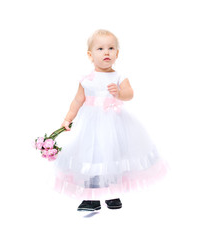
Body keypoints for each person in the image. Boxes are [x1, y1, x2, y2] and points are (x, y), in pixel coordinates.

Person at [54, 29, 168, 211]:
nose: (106, 52)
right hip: (90, 126)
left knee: (112, 155)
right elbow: (78, 100)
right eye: (100, 48)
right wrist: (68, 118)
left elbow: (130, 94)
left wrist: (120, 93)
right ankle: (91, 198)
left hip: (114, 125)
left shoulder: (119, 76)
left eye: (111, 48)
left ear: (117, 54)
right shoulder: (86, 79)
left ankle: (113, 193)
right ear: (90, 55)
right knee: (91, 155)